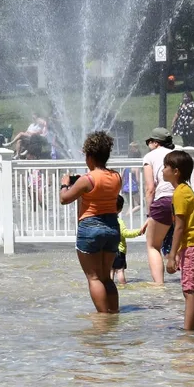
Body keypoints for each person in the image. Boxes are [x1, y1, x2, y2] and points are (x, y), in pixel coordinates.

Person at [58, 130, 122, 313]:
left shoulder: (87, 180)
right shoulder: (116, 176)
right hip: (112, 227)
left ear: (91, 157)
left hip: (90, 227)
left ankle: (103, 318)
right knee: (106, 277)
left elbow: (64, 199)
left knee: (93, 278)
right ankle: (113, 314)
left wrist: (64, 184)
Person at [164, 150, 194, 331]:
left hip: (191, 244)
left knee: (189, 290)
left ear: (176, 171)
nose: (162, 169)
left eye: (166, 166)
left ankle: (188, 332)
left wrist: (172, 255)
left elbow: (179, 227)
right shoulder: (184, 190)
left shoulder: (180, 193)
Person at [141, 127, 175, 285]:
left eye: (149, 141)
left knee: (153, 245)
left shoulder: (150, 157)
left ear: (155, 142)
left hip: (164, 201)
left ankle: (159, 285)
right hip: (184, 199)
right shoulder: (177, 154)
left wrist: (150, 215)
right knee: (183, 241)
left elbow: (150, 188)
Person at [113, 196, 146, 287]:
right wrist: (138, 232)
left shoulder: (106, 221)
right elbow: (125, 233)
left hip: (108, 250)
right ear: (120, 209)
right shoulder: (119, 221)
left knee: (110, 270)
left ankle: (109, 286)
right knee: (120, 270)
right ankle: (123, 285)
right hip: (119, 251)